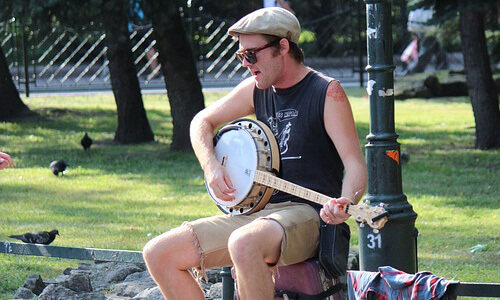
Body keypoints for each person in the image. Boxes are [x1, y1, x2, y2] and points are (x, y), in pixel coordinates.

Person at [143, 7, 367, 300]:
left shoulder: (326, 92)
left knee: (243, 243)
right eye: (241, 56)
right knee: (159, 253)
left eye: (251, 55)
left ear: (282, 47)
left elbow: (354, 162)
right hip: (256, 215)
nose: (246, 64)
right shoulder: (255, 90)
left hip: (310, 216)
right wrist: (211, 165)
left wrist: (347, 200)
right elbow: (202, 121)